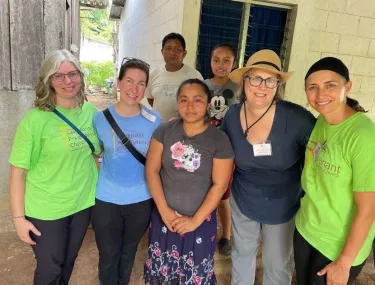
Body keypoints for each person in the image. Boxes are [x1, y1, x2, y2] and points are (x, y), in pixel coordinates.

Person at [222, 49, 316, 285]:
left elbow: (324, 149)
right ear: (245, 81)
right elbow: (218, 151)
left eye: (270, 80)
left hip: (284, 204)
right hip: (244, 200)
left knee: (278, 262)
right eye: (255, 78)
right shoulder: (232, 116)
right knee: (242, 255)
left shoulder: (297, 119)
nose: (262, 86)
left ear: (277, 85)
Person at [9, 49, 100, 284]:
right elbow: (18, 172)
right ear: (48, 80)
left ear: (81, 76)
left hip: (82, 203)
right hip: (46, 208)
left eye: (72, 74)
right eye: (58, 76)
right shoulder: (35, 120)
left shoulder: (91, 113)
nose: (67, 81)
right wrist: (19, 218)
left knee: (68, 262)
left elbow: (100, 151)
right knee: (50, 268)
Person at [144, 79, 234, 284]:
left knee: (195, 275)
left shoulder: (219, 140)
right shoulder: (164, 131)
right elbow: (152, 170)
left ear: (208, 103)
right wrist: (165, 212)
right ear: (177, 103)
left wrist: (195, 220)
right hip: (164, 218)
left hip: (200, 222)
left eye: (197, 100)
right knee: (162, 272)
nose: (190, 106)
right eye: (184, 100)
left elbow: (219, 186)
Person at [294, 57, 375, 285]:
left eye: (330, 85)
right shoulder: (322, 120)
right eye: (313, 87)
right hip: (307, 228)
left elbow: (368, 209)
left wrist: (344, 262)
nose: (320, 95)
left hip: (336, 244)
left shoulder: (364, 136)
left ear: (347, 87)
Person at [91, 58, 162, 284]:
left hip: (140, 199)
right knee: (108, 255)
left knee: (128, 253)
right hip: (106, 198)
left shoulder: (154, 120)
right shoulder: (100, 119)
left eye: (141, 83)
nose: (134, 89)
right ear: (119, 82)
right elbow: (95, 153)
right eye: (129, 81)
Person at [204, 43, 240, 256]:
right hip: (205, 148)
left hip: (227, 151)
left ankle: (226, 235)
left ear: (233, 63)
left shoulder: (239, 88)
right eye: (216, 60)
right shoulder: (202, 84)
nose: (221, 64)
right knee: (203, 189)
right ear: (210, 61)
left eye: (227, 60)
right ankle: (203, 228)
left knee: (223, 195)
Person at [145, 32, 203, 122]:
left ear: (184, 53)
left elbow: (200, 103)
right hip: (159, 128)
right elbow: (150, 99)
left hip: (185, 128)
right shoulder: (153, 74)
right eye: (168, 48)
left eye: (177, 49)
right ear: (162, 51)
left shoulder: (195, 76)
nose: (172, 53)